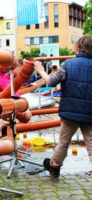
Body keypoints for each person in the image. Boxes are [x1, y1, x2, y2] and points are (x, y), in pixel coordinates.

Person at [34, 35, 92, 178]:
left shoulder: (68, 64)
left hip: (70, 112)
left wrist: (41, 70)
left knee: (64, 142)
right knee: (91, 144)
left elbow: (52, 82)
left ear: (78, 48)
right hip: (90, 113)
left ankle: (54, 166)